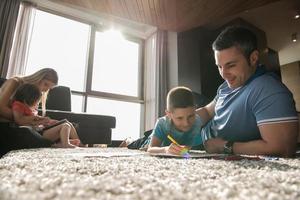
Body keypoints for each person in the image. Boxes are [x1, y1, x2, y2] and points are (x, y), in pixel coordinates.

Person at [196, 26, 299, 157]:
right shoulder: (227, 86)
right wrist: (182, 122)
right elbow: (207, 111)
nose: (224, 75)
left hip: (206, 149)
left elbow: (283, 148)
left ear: (253, 58)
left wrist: (223, 146)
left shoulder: (268, 90)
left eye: (231, 65)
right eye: (219, 67)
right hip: (194, 139)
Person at [0, 68, 59, 156]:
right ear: (38, 78)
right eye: (45, 84)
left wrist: (44, 121)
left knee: (55, 128)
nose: (45, 90)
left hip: (19, 127)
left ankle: (57, 143)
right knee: (27, 133)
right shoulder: (15, 82)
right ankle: (54, 145)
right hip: (5, 126)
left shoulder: (33, 93)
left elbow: (29, 115)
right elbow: (1, 108)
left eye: (49, 88)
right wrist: (23, 118)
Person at [12, 83, 81, 148]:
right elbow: (19, 120)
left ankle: (75, 144)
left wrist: (47, 122)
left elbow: (36, 120)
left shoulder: (31, 109)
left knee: (67, 123)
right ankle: (65, 144)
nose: (37, 104)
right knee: (66, 126)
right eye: (37, 101)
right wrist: (41, 122)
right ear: (29, 99)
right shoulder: (18, 105)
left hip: (41, 130)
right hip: (38, 133)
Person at [146, 86, 203, 155]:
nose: (186, 123)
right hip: (148, 141)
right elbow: (150, 149)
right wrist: (165, 149)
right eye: (179, 118)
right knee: (135, 144)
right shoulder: (162, 124)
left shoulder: (198, 121)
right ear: (169, 114)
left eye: (190, 116)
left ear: (195, 109)